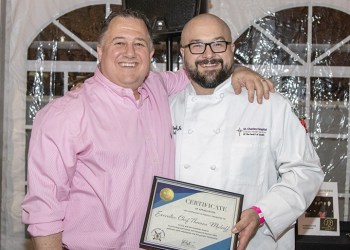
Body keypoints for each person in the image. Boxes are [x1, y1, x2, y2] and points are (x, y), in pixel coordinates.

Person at [21, 10, 273, 250]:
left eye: (139, 44)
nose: (130, 53)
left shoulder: (157, 85)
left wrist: (239, 69)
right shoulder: (64, 115)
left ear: (151, 53)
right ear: (100, 51)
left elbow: (204, 68)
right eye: (119, 43)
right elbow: (44, 210)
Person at [170, 13, 324, 250]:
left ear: (232, 49)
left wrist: (261, 214)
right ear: (183, 53)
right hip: (180, 240)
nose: (208, 54)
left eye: (218, 44)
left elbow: (305, 171)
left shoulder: (269, 104)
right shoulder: (166, 108)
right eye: (196, 45)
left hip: (254, 243)